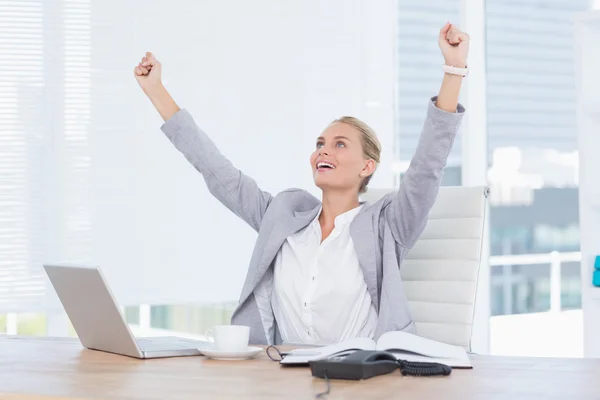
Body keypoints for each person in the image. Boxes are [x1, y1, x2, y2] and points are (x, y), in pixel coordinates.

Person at [134, 22, 469, 346]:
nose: (323, 149)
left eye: (340, 144)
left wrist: (453, 71)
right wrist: (156, 91)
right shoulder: (281, 217)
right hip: (284, 377)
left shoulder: (389, 225)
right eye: (320, 143)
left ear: (368, 166)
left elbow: (427, 166)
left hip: (362, 378)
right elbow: (216, 171)